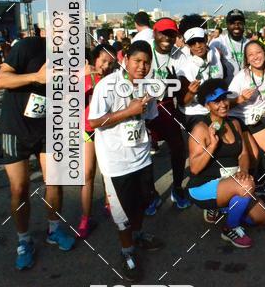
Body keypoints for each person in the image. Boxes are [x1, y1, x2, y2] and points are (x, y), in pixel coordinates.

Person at [0, 34, 76, 270]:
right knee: (19, 188)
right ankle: (24, 240)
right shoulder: (28, 46)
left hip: (47, 127)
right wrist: (36, 77)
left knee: (54, 181)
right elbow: (0, 80)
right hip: (15, 127)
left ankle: (54, 229)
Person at [88, 40, 164, 281]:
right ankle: (127, 251)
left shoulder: (148, 86)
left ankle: (138, 236)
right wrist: (128, 112)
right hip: (116, 162)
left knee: (140, 204)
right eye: (137, 61)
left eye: (146, 63)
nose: (142, 67)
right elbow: (94, 121)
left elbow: (149, 117)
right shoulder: (107, 85)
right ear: (125, 60)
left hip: (141, 156)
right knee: (122, 214)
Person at [187, 78, 265, 248]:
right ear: (207, 106)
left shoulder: (234, 123)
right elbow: (194, 169)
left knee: (263, 217)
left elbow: (243, 153)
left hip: (231, 182)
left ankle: (223, 207)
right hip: (203, 186)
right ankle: (230, 227)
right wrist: (212, 145)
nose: (223, 104)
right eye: (216, 101)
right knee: (246, 186)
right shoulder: (200, 129)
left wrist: (244, 170)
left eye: (224, 98)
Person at [145, 18, 192, 212]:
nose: (167, 38)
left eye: (171, 34)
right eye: (163, 33)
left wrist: (177, 83)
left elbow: (183, 89)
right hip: (144, 105)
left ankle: (177, 188)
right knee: (143, 153)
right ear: (154, 33)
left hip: (166, 104)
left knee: (178, 148)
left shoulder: (180, 55)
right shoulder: (145, 50)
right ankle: (150, 193)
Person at [228, 40, 265, 197]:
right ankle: (254, 184)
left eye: (258, 52)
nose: (255, 57)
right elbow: (225, 104)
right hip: (238, 119)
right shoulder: (241, 77)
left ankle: (255, 179)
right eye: (250, 54)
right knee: (253, 154)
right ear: (246, 59)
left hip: (255, 120)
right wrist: (240, 99)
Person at [78, 43, 117, 238]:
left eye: (110, 63)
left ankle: (110, 204)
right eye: (103, 61)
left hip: (107, 130)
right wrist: (79, 78)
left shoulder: (113, 80)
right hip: (87, 130)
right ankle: (86, 218)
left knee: (107, 171)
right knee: (87, 174)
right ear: (94, 59)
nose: (106, 66)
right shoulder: (82, 76)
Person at [177, 16, 225, 131]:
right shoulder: (184, 66)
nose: (198, 45)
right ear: (187, 44)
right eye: (192, 43)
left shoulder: (215, 53)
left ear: (206, 38)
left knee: (223, 132)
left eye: (200, 41)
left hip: (215, 110)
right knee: (205, 136)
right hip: (196, 114)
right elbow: (182, 102)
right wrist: (191, 93)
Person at [210, 9, 248, 84]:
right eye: (232, 23)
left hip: (246, 87)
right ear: (227, 25)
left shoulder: (250, 44)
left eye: (240, 23)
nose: (236, 26)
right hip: (226, 88)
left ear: (244, 25)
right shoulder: (217, 43)